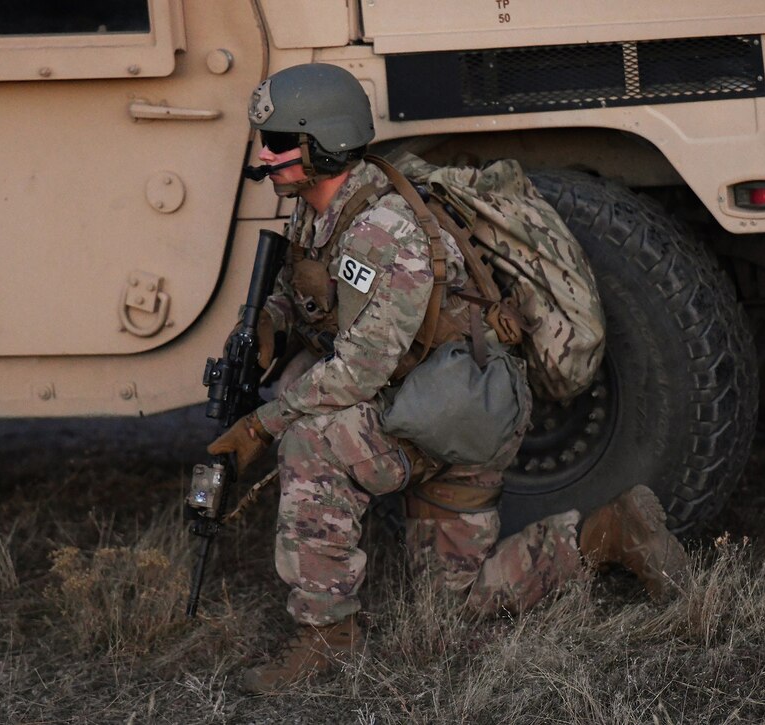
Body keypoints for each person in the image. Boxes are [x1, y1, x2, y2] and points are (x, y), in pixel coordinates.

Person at [208, 63, 690, 694]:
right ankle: (611, 532)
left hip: (457, 413)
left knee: (312, 442)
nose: (264, 158)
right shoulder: (325, 208)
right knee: (456, 605)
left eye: (277, 144)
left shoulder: (385, 235)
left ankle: (325, 637)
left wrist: (260, 426)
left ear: (321, 145)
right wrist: (270, 324)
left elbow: (359, 370)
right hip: (434, 402)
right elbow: (314, 297)